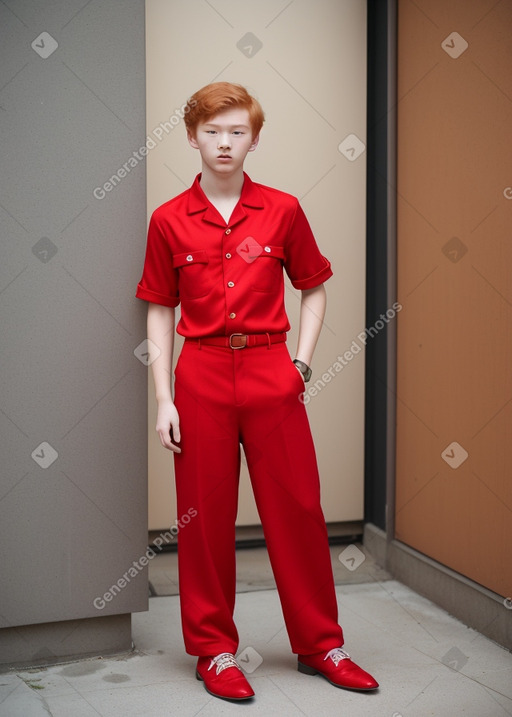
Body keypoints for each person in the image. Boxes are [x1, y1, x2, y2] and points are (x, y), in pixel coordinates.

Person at [136, 82, 378, 702]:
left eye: (237, 131)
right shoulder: (168, 220)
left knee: (298, 508)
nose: (224, 143)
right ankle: (214, 652)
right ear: (192, 136)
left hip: (273, 373)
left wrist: (301, 362)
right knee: (204, 520)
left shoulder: (283, 210)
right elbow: (159, 309)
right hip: (202, 377)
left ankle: (322, 644)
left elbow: (314, 285)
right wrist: (164, 399)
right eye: (212, 131)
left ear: (255, 138)